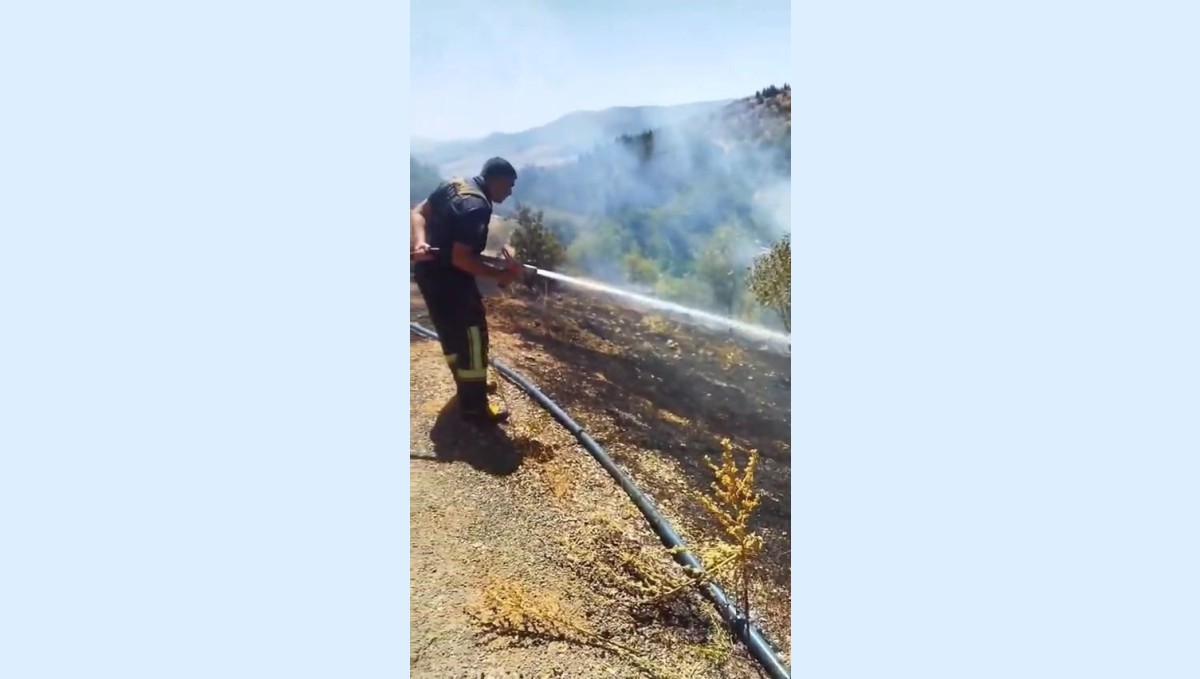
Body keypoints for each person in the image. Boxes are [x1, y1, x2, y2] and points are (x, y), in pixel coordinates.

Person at [410, 157, 524, 425]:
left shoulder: (455, 184)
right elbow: (462, 259)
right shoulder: (476, 209)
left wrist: (421, 243)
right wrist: (502, 275)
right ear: (495, 180)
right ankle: (475, 410)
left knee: (451, 334)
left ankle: (468, 389)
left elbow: (418, 212)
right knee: (473, 339)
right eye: (508, 186)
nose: (509, 192)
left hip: (429, 276)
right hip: (450, 281)